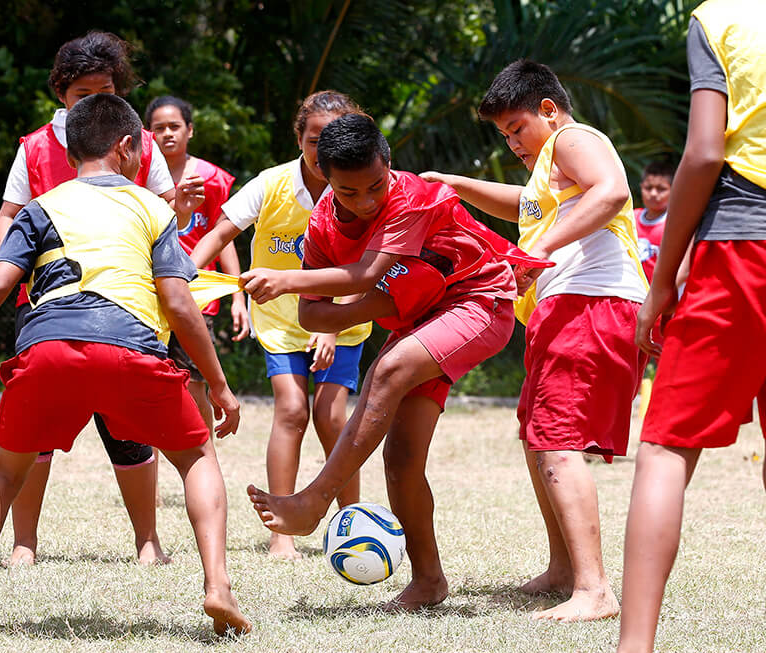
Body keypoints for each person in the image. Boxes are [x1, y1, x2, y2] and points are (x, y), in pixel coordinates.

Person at [0, 93, 250, 637]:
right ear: (126, 148)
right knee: (195, 459)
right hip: (132, 350)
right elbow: (178, 301)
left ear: (72, 149)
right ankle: (217, 586)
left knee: (2, 474)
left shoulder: (42, 207)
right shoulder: (151, 208)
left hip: (48, 350)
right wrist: (218, 384)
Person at [240, 113, 550, 610]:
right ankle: (428, 581)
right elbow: (314, 316)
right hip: (420, 322)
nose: (365, 202)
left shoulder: (411, 196)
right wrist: (390, 304)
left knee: (386, 370)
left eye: (374, 187)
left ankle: (315, 499)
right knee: (401, 459)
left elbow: (367, 273)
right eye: (348, 192)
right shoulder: (320, 224)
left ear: (390, 166)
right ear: (324, 177)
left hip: (480, 299)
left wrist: (288, 278)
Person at [612, 2, 766, 653]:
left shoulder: (722, 17)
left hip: (744, 248)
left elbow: (705, 152)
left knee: (665, 450)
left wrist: (663, 278)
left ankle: (634, 652)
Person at [421, 60, 648, 621]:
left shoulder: (573, 137)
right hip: (566, 306)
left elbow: (613, 191)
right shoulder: (548, 167)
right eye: (503, 135)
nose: (512, 142)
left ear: (548, 108)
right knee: (537, 437)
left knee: (556, 443)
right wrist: (456, 185)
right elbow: (523, 205)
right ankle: (565, 569)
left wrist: (534, 252)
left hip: (592, 301)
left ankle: (594, 590)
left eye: (516, 128)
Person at [0, 31, 201, 567]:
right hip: (47, 305)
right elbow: (7, 220)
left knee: (130, 427)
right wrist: (22, 262)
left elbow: (161, 219)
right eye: (82, 92)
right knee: (31, 433)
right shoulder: (35, 147)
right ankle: (24, 543)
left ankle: (147, 542)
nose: (94, 101)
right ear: (61, 93)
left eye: (105, 89)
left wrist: (176, 209)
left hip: (130, 304)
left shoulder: (139, 143)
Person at [190, 91, 372, 560]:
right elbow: (220, 231)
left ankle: (352, 524)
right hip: (283, 323)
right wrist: (184, 276)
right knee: (291, 410)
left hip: (345, 319)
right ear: (299, 138)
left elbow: (368, 269)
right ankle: (281, 533)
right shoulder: (271, 184)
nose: (323, 152)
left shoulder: (357, 187)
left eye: (333, 140)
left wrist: (332, 324)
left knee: (333, 417)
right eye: (315, 140)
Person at [145, 95, 249, 451]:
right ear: (148, 134)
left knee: (194, 383)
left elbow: (226, 238)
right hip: (150, 291)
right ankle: (150, 470)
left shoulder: (209, 178)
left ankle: (205, 459)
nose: (167, 134)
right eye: (159, 128)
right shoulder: (139, 177)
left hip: (199, 294)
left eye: (175, 127)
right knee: (151, 381)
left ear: (190, 130)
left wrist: (237, 295)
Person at [633, 161, 674, 285]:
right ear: (641, 187)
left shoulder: (673, 224)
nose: (653, 193)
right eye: (648, 188)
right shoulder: (631, 218)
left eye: (661, 189)